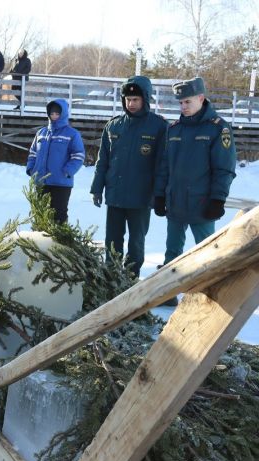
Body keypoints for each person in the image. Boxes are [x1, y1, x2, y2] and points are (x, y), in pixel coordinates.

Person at [153, 77, 236, 305]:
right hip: (175, 202)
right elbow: (164, 167)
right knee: (172, 253)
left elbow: (224, 168)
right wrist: (159, 195)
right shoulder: (174, 129)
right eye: (180, 103)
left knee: (209, 254)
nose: (183, 107)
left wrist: (218, 199)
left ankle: (213, 298)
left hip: (202, 205)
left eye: (187, 102)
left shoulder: (218, 128)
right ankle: (167, 295)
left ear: (201, 98)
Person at [90, 76, 167, 278]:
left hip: (141, 198)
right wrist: (97, 188)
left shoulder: (158, 127)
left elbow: (162, 165)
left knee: (136, 241)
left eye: (135, 99)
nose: (131, 104)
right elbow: (103, 161)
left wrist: (159, 195)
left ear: (146, 99)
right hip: (115, 195)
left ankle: (131, 277)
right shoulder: (113, 126)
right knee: (112, 240)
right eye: (127, 99)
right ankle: (112, 276)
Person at [26, 98, 85, 224]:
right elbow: (33, 153)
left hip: (61, 183)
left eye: (57, 113)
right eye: (52, 113)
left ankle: (59, 241)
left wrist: (67, 171)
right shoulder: (41, 133)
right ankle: (39, 241)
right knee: (40, 214)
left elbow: (78, 156)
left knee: (59, 215)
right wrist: (31, 169)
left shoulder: (72, 134)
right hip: (41, 181)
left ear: (63, 114)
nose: (54, 116)